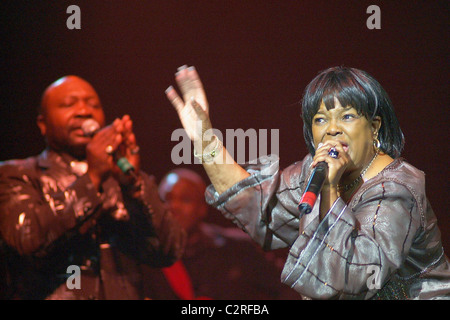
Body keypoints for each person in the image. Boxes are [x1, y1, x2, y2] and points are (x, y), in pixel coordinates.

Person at [165, 65, 450, 299]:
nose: (332, 129)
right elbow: (257, 206)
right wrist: (205, 141)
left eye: (347, 116)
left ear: (374, 127)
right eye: (320, 119)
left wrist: (329, 188)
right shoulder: (314, 173)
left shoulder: (398, 189)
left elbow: (356, 273)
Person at [0, 75, 186, 299]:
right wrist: (92, 178)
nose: (84, 111)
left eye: (93, 105)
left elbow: (168, 251)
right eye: (69, 104)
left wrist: (133, 188)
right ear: (42, 124)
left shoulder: (122, 180)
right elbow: (27, 240)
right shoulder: (17, 174)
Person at [140, 168, 298, 299]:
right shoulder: (144, 255)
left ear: (202, 208)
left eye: (185, 200)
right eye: (166, 199)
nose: (173, 207)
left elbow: (289, 288)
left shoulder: (239, 249)